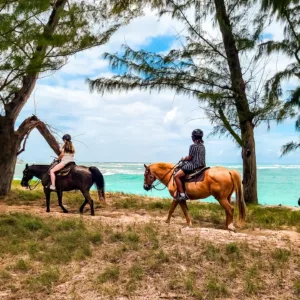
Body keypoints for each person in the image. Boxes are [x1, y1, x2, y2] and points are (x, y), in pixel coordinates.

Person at [174, 129, 206, 201]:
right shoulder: (203, 146)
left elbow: (190, 158)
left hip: (193, 165)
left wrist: (184, 158)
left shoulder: (192, 146)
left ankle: (182, 195)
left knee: (176, 176)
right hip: (202, 165)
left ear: (193, 137)